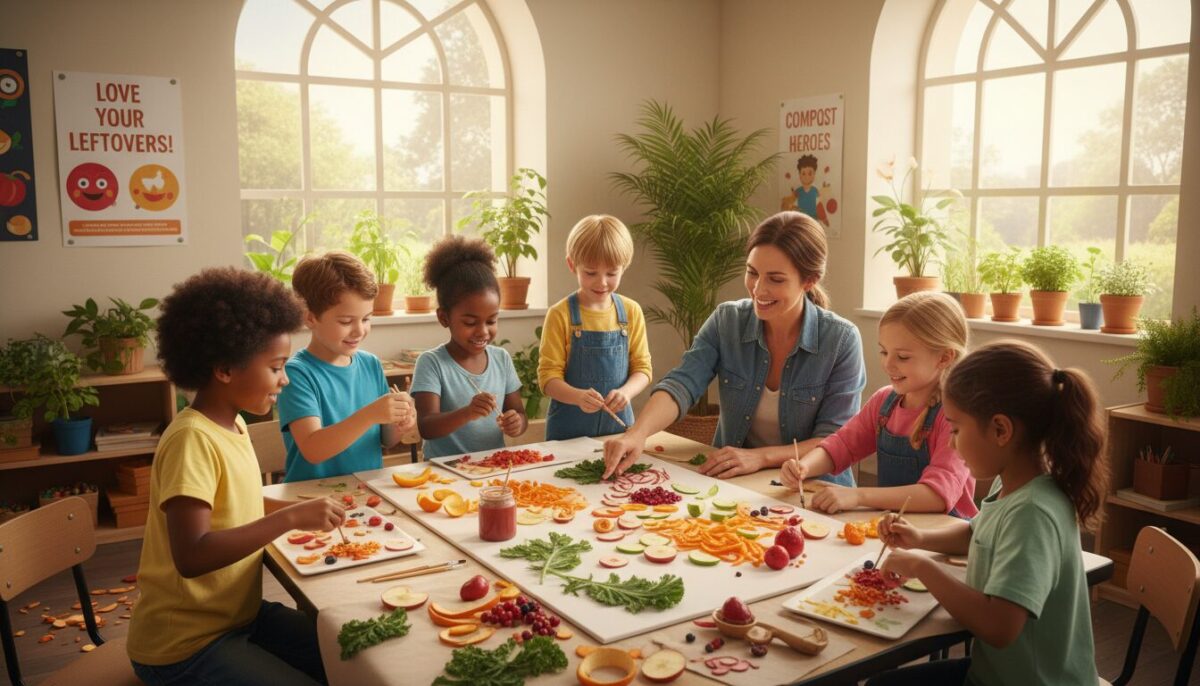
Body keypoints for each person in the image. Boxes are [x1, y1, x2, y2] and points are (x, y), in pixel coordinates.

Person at [127, 268, 343, 685]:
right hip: (184, 646)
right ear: (225, 368)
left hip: (239, 617)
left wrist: (300, 509)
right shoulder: (192, 439)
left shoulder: (233, 424)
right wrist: (290, 520)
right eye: (276, 366)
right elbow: (192, 556)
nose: (285, 378)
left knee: (349, 652)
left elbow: (237, 503)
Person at [868, 340, 1108, 686]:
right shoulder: (1016, 482)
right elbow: (976, 534)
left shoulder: (1033, 512)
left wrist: (923, 567)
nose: (950, 443)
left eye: (955, 429)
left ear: (1000, 430)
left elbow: (999, 627)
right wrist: (920, 539)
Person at [603, 211, 866, 482]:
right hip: (737, 480)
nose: (758, 289)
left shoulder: (842, 340)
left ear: (809, 280)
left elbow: (833, 439)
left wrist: (761, 457)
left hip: (815, 487)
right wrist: (637, 434)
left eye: (775, 279)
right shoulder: (726, 320)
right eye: (752, 273)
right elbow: (682, 383)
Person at [781, 292, 976, 516]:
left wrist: (858, 496)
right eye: (884, 351)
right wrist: (804, 466)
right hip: (896, 527)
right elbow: (841, 446)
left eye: (902, 357)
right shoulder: (884, 402)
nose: (887, 364)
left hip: (946, 536)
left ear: (944, 357)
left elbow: (937, 495)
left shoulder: (956, 417)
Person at [278, 250, 415, 481]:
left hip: (366, 492)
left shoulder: (370, 364)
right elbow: (313, 449)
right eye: (345, 321)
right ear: (310, 318)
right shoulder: (297, 373)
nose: (359, 330)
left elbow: (386, 440)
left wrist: (399, 423)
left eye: (366, 319)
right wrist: (371, 415)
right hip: (310, 499)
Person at [412, 235, 527, 456]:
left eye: (491, 321)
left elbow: (519, 412)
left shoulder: (501, 359)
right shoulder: (432, 363)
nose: (483, 331)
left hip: (493, 467)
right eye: (470, 322)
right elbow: (427, 427)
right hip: (444, 474)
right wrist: (467, 413)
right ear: (444, 318)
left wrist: (517, 423)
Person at [540, 214, 652, 440]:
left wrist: (626, 393)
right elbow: (548, 379)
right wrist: (577, 397)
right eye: (591, 273)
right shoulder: (559, 315)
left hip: (618, 432)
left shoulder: (631, 312)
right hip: (566, 435)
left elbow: (643, 369)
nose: (602, 282)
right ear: (572, 264)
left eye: (612, 273)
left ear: (624, 267)